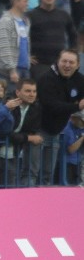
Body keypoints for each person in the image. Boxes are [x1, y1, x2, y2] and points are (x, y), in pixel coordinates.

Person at [35, 49, 84, 186]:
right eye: (64, 61)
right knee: (33, 171)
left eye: (71, 62)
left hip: (56, 132)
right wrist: (76, 107)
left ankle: (43, 204)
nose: (67, 65)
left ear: (78, 65)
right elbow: (52, 106)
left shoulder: (79, 79)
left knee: (48, 173)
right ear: (58, 62)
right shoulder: (47, 78)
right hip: (38, 130)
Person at [0, 78, 42, 187]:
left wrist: (25, 137)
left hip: (14, 151)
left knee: (11, 186)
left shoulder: (36, 109)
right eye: (28, 91)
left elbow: (31, 132)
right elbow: (4, 132)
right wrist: (28, 138)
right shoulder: (8, 105)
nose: (32, 94)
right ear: (18, 92)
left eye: (34, 91)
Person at [27, 0, 77, 80]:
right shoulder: (31, 16)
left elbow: (73, 35)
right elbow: (21, 38)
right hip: (39, 64)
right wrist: (26, 57)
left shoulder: (64, 15)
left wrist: (72, 52)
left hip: (59, 65)